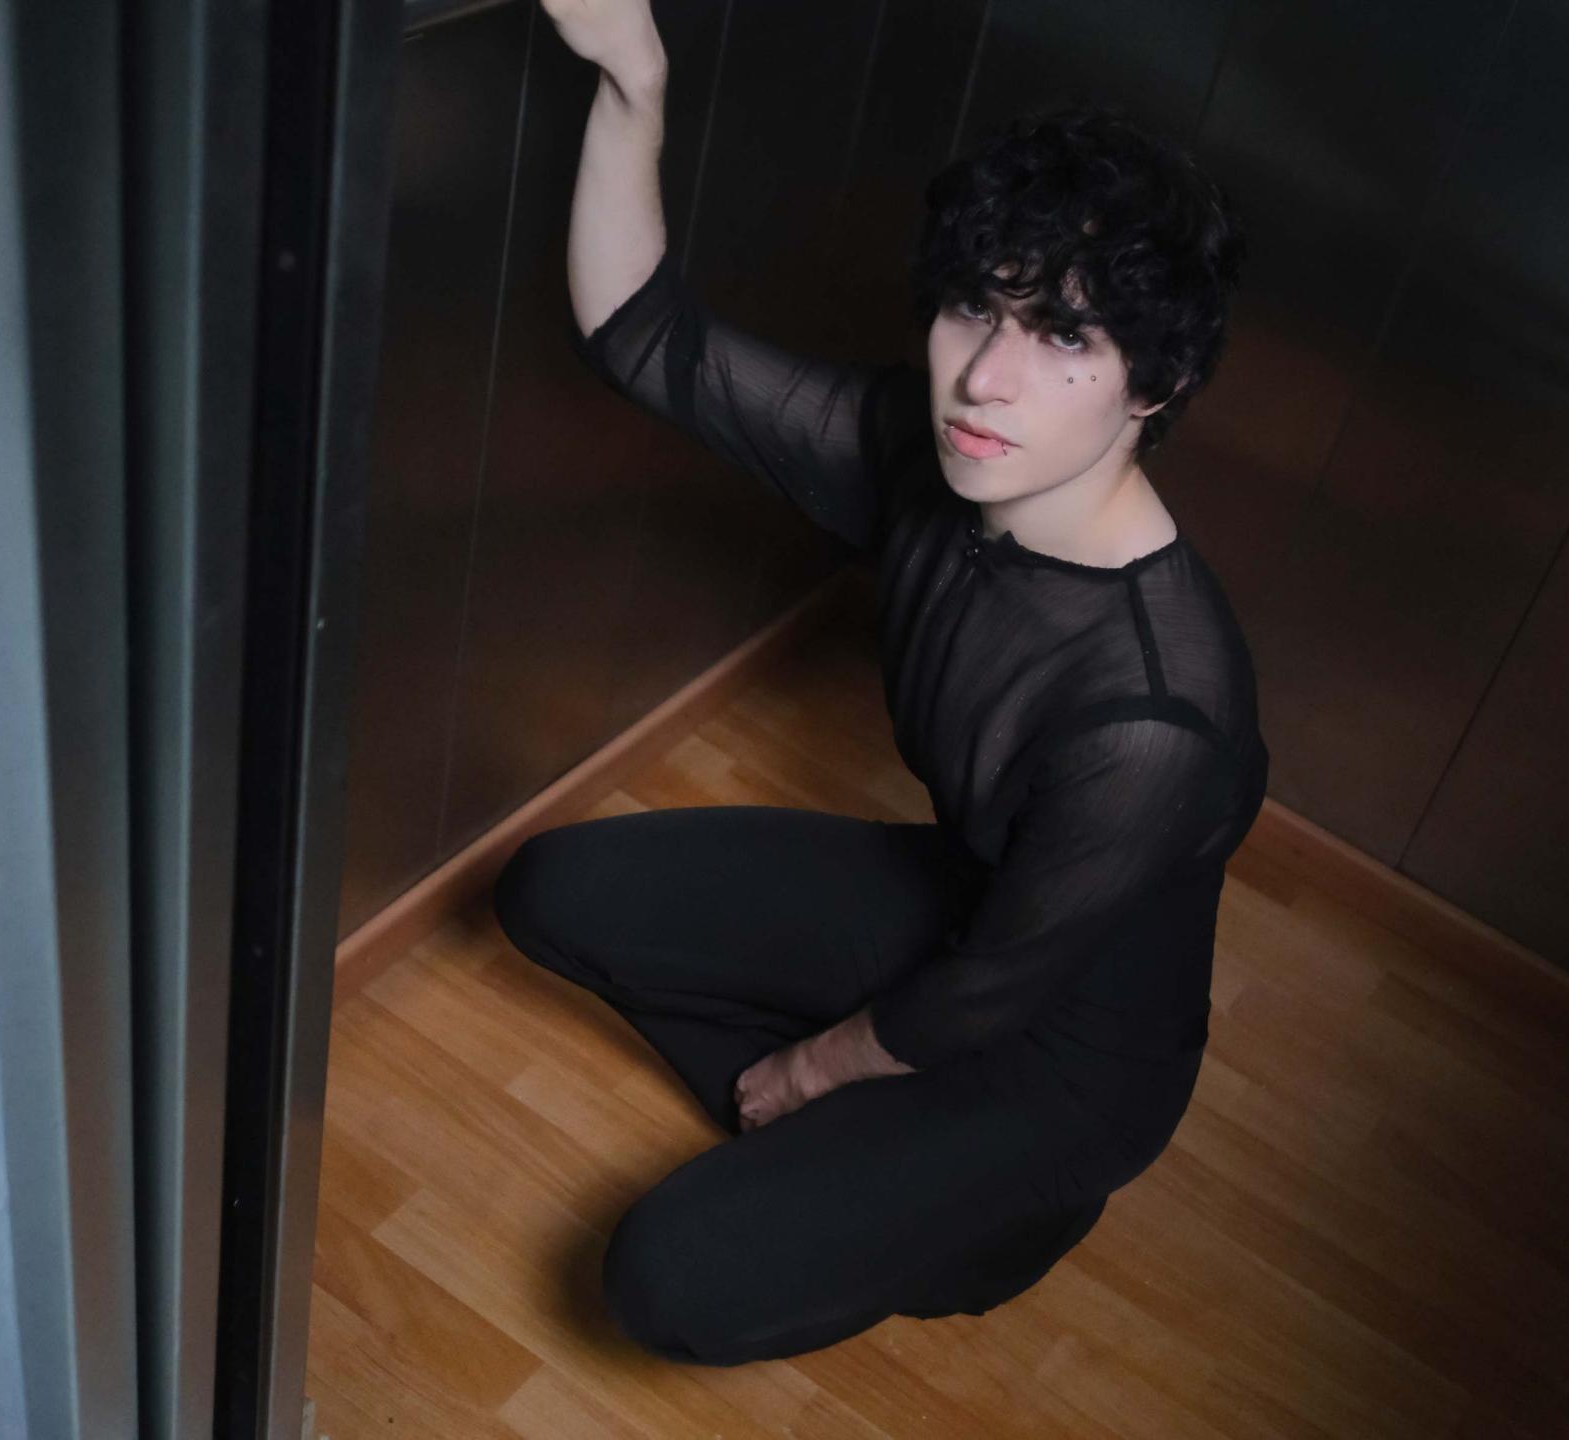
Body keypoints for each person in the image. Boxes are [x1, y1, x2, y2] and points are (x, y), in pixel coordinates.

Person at [494, 0, 1266, 1366]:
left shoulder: (1157, 716)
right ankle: (879, 1161)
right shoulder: (932, 453)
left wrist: (806, 1070)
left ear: (1155, 385)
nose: (987, 379)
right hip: (959, 915)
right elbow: (645, 340)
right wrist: (635, 79)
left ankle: (989, 1221)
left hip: (1063, 1053)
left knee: (667, 1280)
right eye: (977, 307)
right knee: (546, 894)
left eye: (1065, 340)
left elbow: (990, 995)